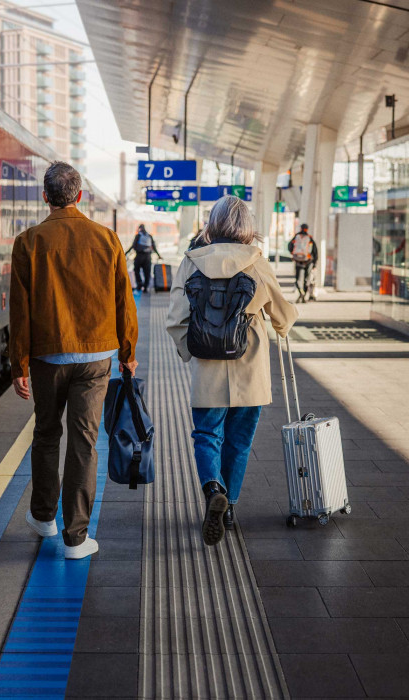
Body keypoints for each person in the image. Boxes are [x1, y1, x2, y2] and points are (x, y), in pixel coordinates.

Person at [9, 161, 139, 560]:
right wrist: (128, 354)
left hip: (47, 357)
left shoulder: (28, 242)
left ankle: (43, 517)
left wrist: (19, 365)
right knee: (84, 441)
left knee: (47, 433)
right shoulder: (107, 239)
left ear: (45, 197)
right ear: (79, 196)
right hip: (96, 358)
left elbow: (20, 311)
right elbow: (124, 300)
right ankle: (77, 538)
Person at [166, 195, 297, 547]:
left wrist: (190, 352)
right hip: (250, 369)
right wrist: (283, 322)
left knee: (206, 435)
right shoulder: (257, 262)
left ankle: (213, 490)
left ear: (213, 224)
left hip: (208, 368)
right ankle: (229, 509)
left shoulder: (191, 261)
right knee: (239, 441)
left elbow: (175, 318)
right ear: (247, 227)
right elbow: (283, 316)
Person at [126, 223, 162, 292]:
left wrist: (126, 253)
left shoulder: (138, 236)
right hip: (148, 257)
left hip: (139, 256)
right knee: (147, 272)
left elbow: (133, 246)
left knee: (136, 270)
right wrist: (159, 255)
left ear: (140, 228)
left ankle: (139, 284)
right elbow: (154, 247)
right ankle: (145, 287)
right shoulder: (149, 236)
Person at [288, 223, 318, 303]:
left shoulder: (296, 237)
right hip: (308, 261)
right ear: (307, 229)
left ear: (300, 228)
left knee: (298, 279)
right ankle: (304, 296)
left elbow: (289, 246)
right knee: (306, 279)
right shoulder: (309, 238)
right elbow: (315, 251)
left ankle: (301, 292)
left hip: (298, 261)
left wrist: (294, 254)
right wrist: (314, 263)